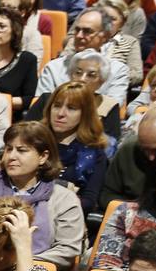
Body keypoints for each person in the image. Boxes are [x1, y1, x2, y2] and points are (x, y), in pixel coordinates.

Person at [0, 122, 86, 271]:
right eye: (8, 149)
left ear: (43, 157)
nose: (11, 156)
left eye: (21, 150)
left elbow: (66, 250)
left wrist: (20, 262)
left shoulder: (64, 199)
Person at [43, 80, 114, 215]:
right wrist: (65, 189)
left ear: (85, 114)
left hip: (64, 219)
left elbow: (89, 202)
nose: (61, 113)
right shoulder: (34, 141)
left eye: (71, 108)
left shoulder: (95, 153)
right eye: (57, 106)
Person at [0, 10, 38, 116]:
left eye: (2, 26)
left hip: (9, 116)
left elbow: (29, 99)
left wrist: (0, 102)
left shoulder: (27, 60)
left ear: (14, 31)